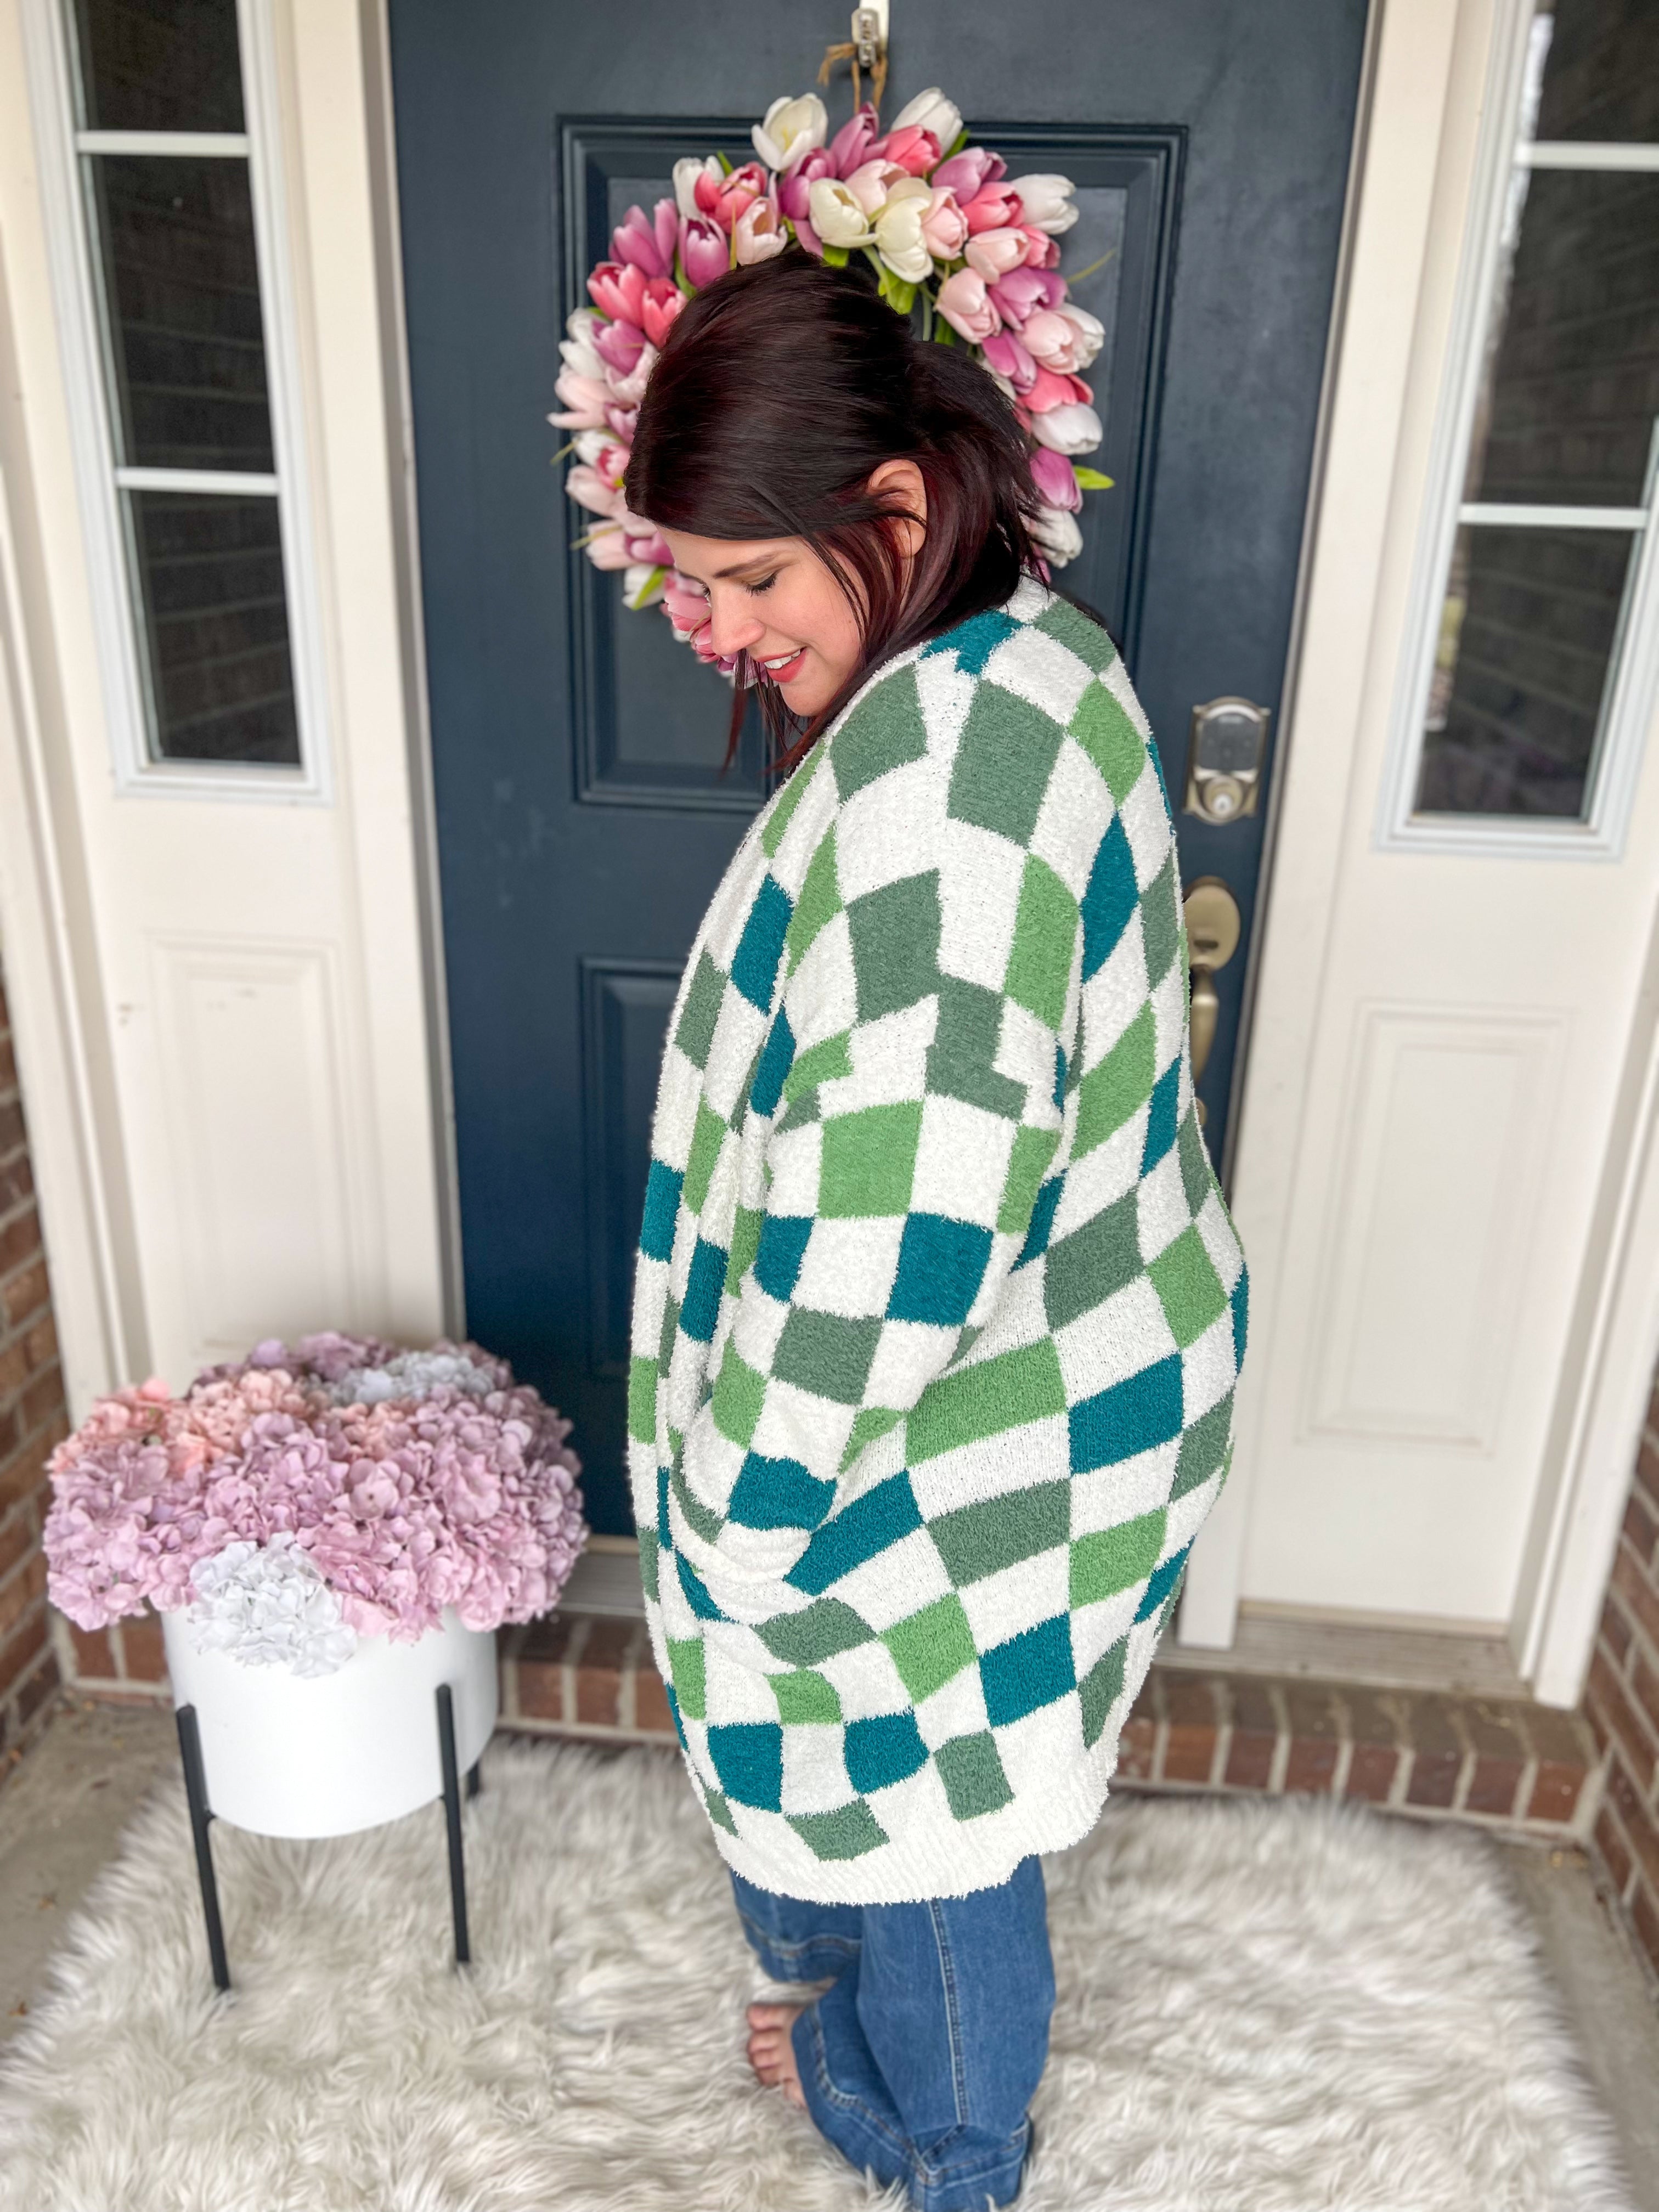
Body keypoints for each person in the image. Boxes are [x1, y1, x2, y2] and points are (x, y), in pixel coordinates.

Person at [621, 249, 1249, 2211]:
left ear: (893, 507)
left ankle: (946, 2149)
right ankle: (858, 2030)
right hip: (1078, 1338)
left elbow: (892, 1223)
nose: (719, 631)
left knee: (938, 1808)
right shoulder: (1019, 653)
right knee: (932, 1770)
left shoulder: (948, 795)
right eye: (692, 582)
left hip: (987, 1400)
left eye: (753, 578)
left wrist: (742, 1510)